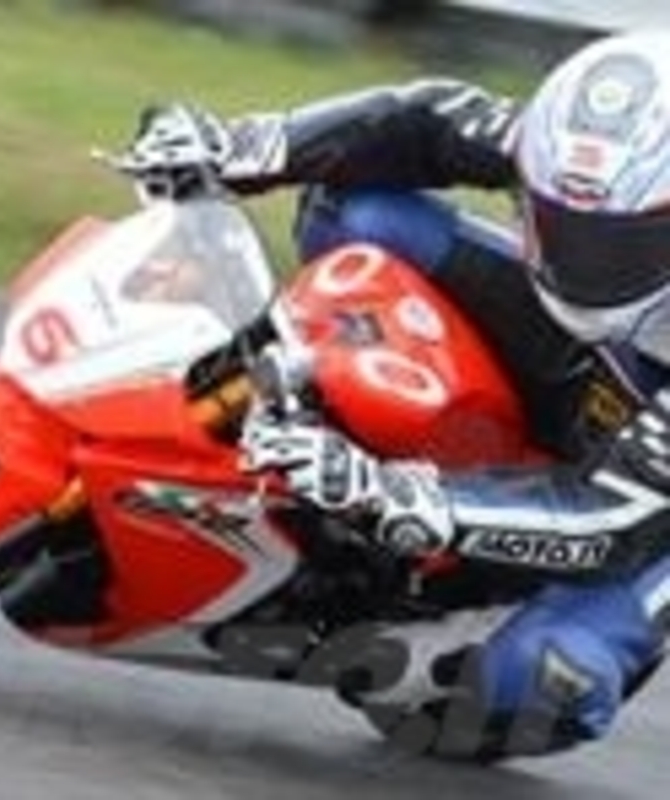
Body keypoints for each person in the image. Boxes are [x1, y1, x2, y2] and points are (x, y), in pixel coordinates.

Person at [131, 31, 670, 758]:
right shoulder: (575, 145)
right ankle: (305, 391)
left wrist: (399, 497)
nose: (583, 261)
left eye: (619, 246)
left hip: (647, 516)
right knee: (359, 215)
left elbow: (607, 521)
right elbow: (425, 119)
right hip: (599, 363)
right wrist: (244, 145)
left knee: (550, 676)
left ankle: (457, 601)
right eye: (560, 224)